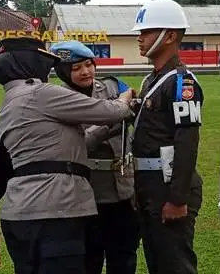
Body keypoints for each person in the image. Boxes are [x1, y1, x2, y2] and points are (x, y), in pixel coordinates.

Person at [0, 36, 134, 274]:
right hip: (54, 213)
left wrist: (105, 129)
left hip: (22, 212)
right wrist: (125, 100)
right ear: (29, 62)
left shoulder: (11, 99)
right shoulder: (41, 93)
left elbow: (75, 144)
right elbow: (111, 110)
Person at [50, 40, 140, 274]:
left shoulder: (112, 87)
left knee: (124, 256)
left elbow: (136, 112)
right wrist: (111, 120)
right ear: (63, 72)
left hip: (125, 190)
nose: (85, 72)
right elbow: (80, 144)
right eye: (76, 68)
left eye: (89, 64)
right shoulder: (58, 99)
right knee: (90, 259)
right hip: (88, 194)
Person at [130, 0, 204, 274]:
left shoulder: (181, 83)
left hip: (167, 185)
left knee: (175, 265)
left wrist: (177, 198)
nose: (140, 38)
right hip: (148, 184)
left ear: (170, 35)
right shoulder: (153, 79)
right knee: (157, 262)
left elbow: (187, 142)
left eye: (146, 31)